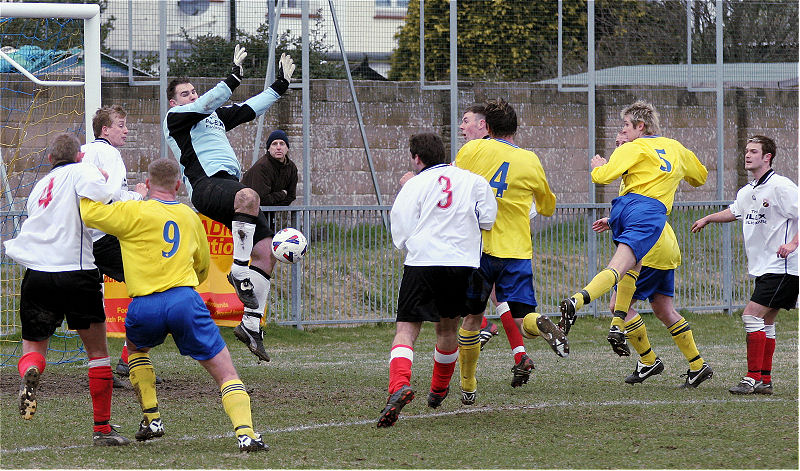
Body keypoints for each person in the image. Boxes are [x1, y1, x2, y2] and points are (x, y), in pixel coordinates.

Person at [80, 158, 269, 452]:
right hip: (184, 300)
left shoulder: (132, 211)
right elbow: (203, 267)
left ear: (148, 182)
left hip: (144, 305)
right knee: (226, 373)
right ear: (179, 185)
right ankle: (246, 433)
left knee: (136, 350)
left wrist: (89, 180)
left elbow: (89, 213)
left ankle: (152, 418)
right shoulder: (190, 217)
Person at [163, 45, 295, 362]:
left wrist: (280, 87)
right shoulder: (176, 119)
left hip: (229, 188)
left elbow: (250, 109)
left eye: (193, 91)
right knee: (250, 195)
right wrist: (232, 77)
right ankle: (237, 272)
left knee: (267, 251)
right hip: (205, 186)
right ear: (173, 102)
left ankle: (250, 325)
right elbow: (210, 100)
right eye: (185, 94)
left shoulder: (214, 117)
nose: (192, 97)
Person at [3, 133, 129, 446]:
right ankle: (102, 428)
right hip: (76, 271)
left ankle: (31, 371)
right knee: (97, 353)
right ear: (79, 156)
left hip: (37, 274)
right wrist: (110, 180)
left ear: (49, 160)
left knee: (33, 347)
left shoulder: (39, 186)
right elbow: (104, 195)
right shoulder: (82, 170)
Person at [557, 100, 707, 342]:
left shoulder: (633, 147)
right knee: (623, 270)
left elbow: (602, 177)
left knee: (627, 271)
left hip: (627, 209)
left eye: (625, 125)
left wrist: (597, 166)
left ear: (640, 126)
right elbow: (700, 177)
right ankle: (580, 302)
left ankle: (606, 318)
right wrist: (673, 174)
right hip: (649, 213)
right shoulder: (676, 148)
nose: (622, 131)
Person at [378, 133, 497, 427]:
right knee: (447, 329)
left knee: (406, 330)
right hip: (462, 264)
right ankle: (439, 390)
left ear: (416, 159)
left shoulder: (414, 183)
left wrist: (410, 243)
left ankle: (399, 386)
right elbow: (488, 219)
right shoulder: (473, 180)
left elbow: (400, 227)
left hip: (423, 262)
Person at [456, 98, 567, 398]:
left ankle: (468, 385)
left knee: (471, 318)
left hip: (479, 249)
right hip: (517, 251)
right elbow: (546, 207)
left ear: (487, 127)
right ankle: (540, 322)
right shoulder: (530, 160)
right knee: (522, 317)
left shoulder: (472, 150)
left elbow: (455, 183)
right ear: (516, 129)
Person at [593, 132, 712, 387]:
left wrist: (600, 168)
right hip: (665, 247)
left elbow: (637, 217)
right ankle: (697, 365)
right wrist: (611, 220)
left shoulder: (636, 167)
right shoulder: (648, 171)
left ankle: (648, 360)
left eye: (622, 138)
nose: (618, 145)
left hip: (649, 251)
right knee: (664, 309)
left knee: (617, 306)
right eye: (616, 142)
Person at [691, 135, 798, 395]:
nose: (747, 155)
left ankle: (751, 378)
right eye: (746, 151)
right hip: (765, 268)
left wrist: (793, 244)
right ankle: (765, 380)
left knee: (751, 315)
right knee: (766, 323)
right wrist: (708, 218)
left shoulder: (781, 186)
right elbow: (734, 211)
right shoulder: (748, 191)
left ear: (767, 157)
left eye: (753, 151)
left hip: (782, 267)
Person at [80, 105, 151, 386]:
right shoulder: (109, 153)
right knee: (149, 285)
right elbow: (111, 197)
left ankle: (97, 368)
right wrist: (140, 195)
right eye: (121, 124)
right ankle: (128, 359)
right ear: (105, 130)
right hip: (101, 235)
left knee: (85, 304)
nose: (126, 129)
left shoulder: (81, 152)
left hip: (77, 240)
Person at [241, 129, 298, 229]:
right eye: (274, 144)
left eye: (282, 143)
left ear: (287, 148)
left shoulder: (291, 168)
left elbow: (291, 196)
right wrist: (282, 194)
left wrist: (274, 205)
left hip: (268, 213)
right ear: (268, 148)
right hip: (246, 213)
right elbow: (261, 198)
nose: (279, 147)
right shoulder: (262, 167)